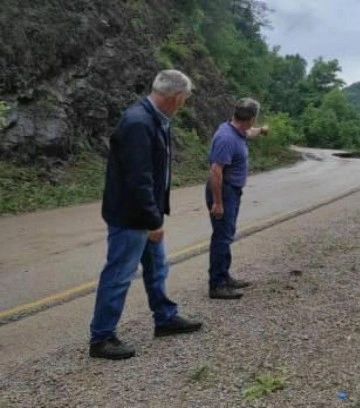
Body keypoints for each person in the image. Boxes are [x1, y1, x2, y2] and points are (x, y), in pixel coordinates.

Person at [90, 70, 202, 360]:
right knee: (118, 275)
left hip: (144, 212)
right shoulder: (138, 122)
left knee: (157, 268)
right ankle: (101, 338)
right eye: (185, 99)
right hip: (131, 216)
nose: (184, 104)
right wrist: (152, 220)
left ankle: (165, 317)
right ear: (176, 96)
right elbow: (138, 179)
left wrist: (154, 216)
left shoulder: (154, 120)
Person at [206, 98, 268, 299]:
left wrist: (261, 130)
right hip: (224, 191)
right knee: (222, 237)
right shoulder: (226, 138)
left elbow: (249, 133)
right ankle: (217, 285)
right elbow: (216, 170)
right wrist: (217, 202)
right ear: (251, 117)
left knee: (227, 234)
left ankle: (224, 275)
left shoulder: (237, 130)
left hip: (232, 191)